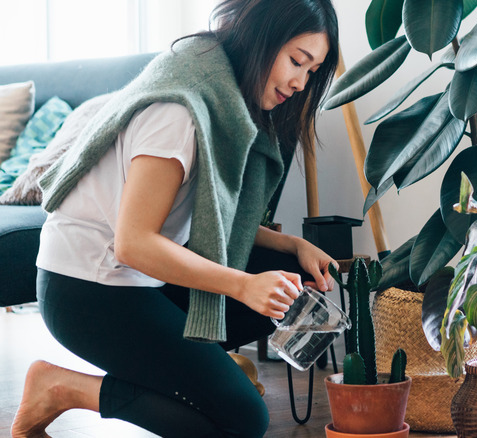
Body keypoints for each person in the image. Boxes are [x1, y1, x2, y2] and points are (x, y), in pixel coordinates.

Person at [11, 0, 340, 436]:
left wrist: (292, 245)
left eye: (312, 72)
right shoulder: (179, 111)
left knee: (289, 275)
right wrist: (244, 285)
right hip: (87, 293)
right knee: (243, 420)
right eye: (297, 61)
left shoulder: (217, 90)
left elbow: (204, 219)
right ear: (260, 38)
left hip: (140, 281)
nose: (300, 83)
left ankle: (194, 372)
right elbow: (134, 242)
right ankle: (61, 389)